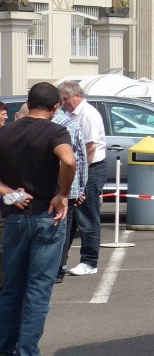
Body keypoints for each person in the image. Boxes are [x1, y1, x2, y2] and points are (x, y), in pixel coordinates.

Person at [0, 82, 76, 356]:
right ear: (57, 106)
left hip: (15, 216)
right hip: (47, 215)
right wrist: (63, 193)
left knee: (10, 289)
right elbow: (68, 160)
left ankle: (5, 352)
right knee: (38, 289)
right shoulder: (55, 131)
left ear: (29, 103)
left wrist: (8, 191)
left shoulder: (6, 132)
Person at [57, 80, 107, 277]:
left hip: (91, 168)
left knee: (87, 215)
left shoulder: (88, 114)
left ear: (77, 96)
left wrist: (80, 175)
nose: (63, 103)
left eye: (66, 99)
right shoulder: (69, 114)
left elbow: (90, 148)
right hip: (78, 169)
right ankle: (61, 260)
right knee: (70, 215)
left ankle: (89, 261)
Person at [54, 102, 89, 283]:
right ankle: (59, 268)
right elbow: (79, 160)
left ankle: (55, 267)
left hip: (41, 189)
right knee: (64, 229)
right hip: (67, 188)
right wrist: (81, 187)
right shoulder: (70, 125)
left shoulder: (33, 124)